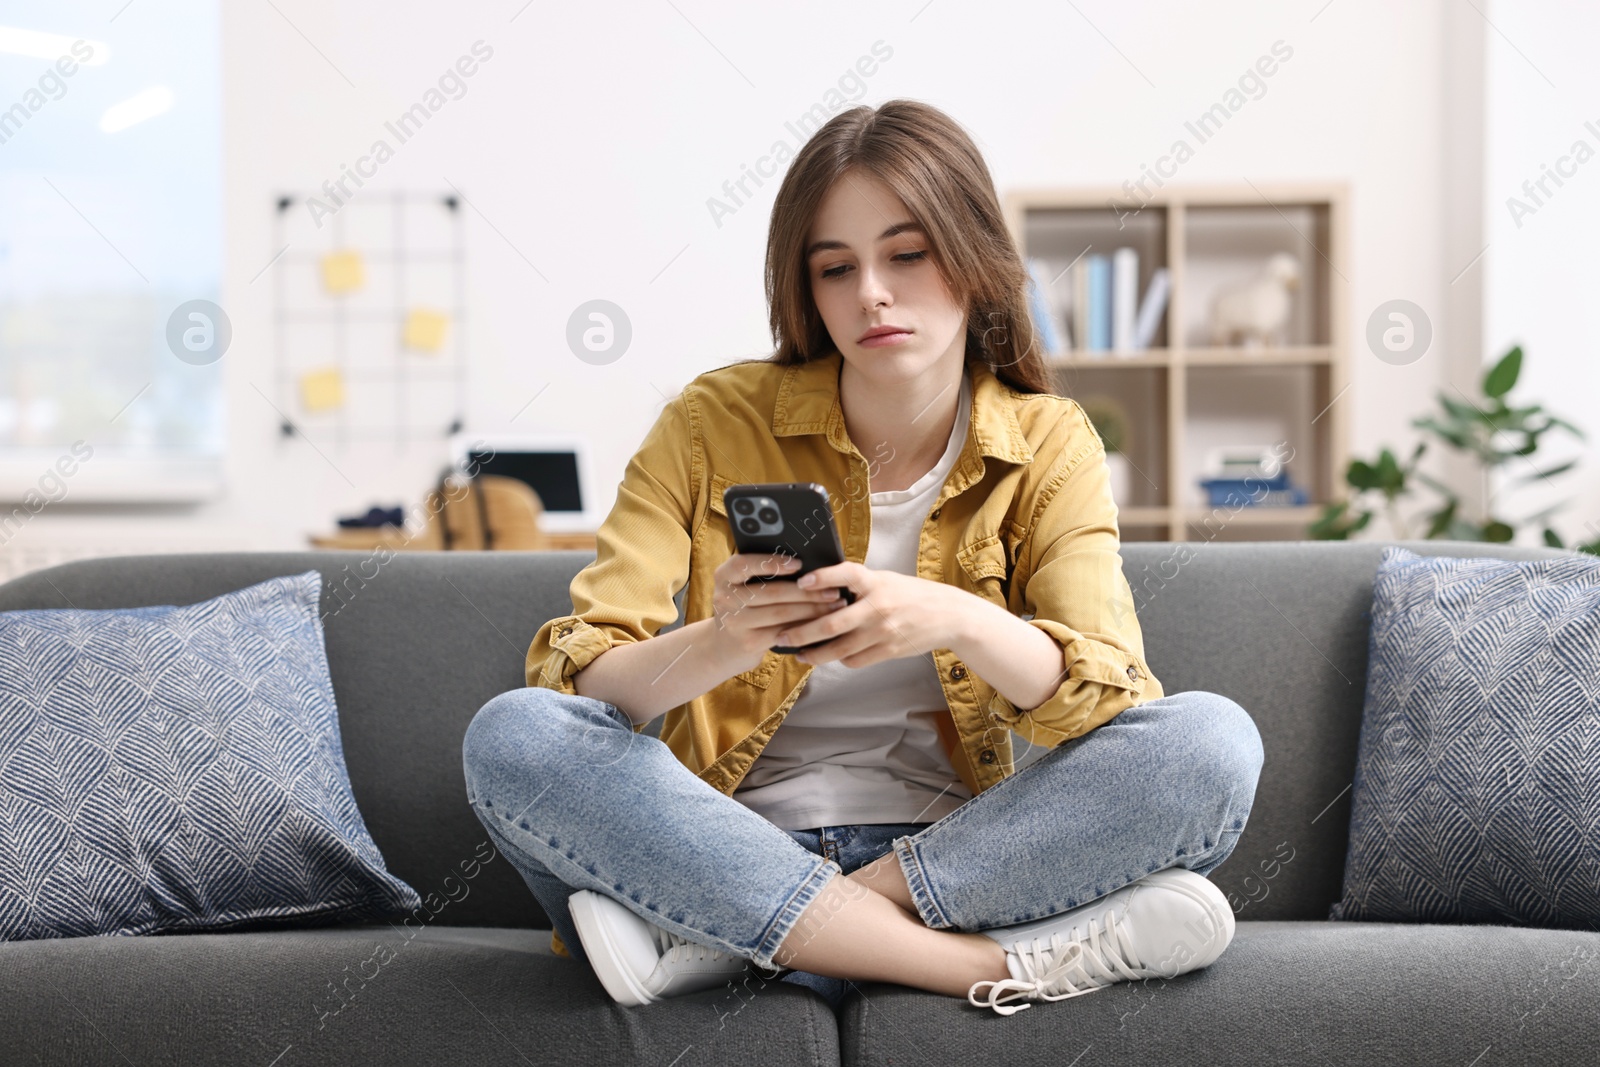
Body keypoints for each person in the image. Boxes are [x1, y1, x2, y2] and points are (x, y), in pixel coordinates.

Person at [461, 98, 1264, 1017]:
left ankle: (723, 939)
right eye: (834, 268)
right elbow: (582, 691)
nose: (870, 293)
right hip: (717, 837)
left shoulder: (1050, 441)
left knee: (1211, 745)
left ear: (974, 260)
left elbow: (1114, 699)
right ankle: (978, 965)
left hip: (958, 852)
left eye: (907, 254)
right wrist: (725, 641)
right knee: (513, 734)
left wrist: (955, 616)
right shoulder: (708, 421)